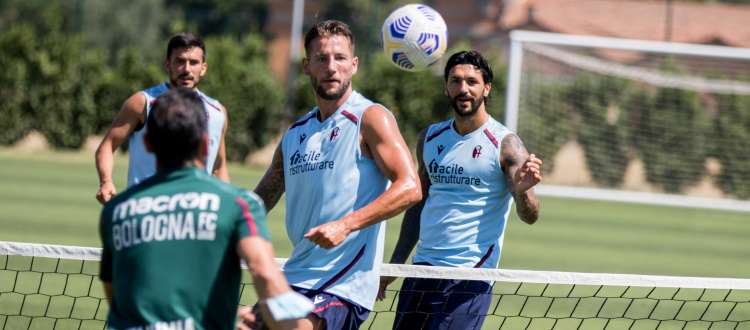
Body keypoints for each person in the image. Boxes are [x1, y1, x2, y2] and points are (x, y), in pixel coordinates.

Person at [248, 20, 421, 329]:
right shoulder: (295, 135)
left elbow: (410, 187)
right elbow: (261, 199)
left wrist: (346, 225)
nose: (331, 67)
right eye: (321, 58)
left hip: (343, 284)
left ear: (353, 65)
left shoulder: (371, 118)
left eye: (340, 58)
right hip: (295, 276)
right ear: (306, 66)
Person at [98, 87, 313, 330]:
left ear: (148, 143)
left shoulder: (116, 211)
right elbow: (264, 274)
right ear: (205, 144)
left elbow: (116, 294)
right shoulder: (241, 205)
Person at [378, 51, 543, 330]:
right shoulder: (428, 138)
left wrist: (524, 192)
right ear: (446, 86)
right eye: (455, 81)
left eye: (471, 81)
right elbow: (419, 204)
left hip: (469, 277)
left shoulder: (506, 145)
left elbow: (530, 216)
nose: (463, 89)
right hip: (420, 271)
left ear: (486, 88)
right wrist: (395, 266)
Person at [95, 32, 230, 205]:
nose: (187, 69)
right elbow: (107, 146)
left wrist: (227, 204)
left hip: (193, 219)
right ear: (168, 65)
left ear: (203, 68)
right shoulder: (143, 102)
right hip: (145, 212)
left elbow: (219, 168)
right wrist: (106, 181)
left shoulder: (218, 112)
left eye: (194, 62)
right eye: (179, 61)